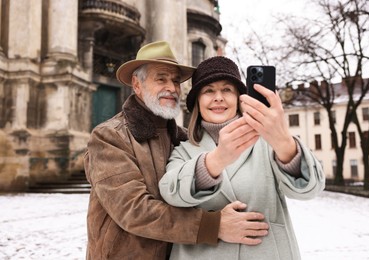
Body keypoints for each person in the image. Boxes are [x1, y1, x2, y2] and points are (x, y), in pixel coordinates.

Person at [84, 41, 269, 260]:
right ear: (137, 84)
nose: (171, 88)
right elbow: (133, 211)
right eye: (161, 78)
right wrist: (214, 226)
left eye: (175, 80)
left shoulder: (184, 139)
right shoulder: (110, 136)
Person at [159, 56, 326, 260]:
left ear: (239, 98)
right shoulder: (183, 150)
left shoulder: (268, 143)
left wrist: (283, 142)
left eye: (227, 89)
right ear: (197, 103)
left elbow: (309, 190)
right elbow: (170, 193)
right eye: (208, 90)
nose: (218, 97)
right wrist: (217, 160)